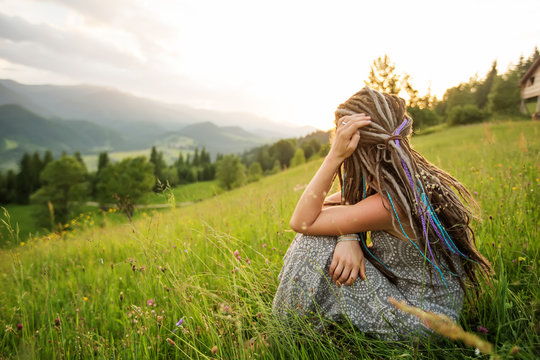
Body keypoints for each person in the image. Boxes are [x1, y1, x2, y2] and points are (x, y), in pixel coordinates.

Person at [272, 87, 492, 340]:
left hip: (423, 319)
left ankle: (281, 334)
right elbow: (326, 208)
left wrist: (333, 156)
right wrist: (348, 236)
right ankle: (303, 321)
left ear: (356, 151)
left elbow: (301, 221)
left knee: (312, 242)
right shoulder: (401, 177)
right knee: (324, 235)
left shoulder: (392, 202)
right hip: (418, 302)